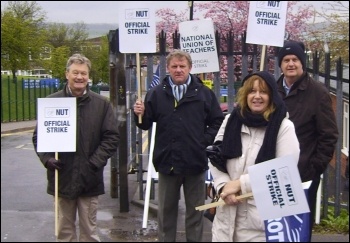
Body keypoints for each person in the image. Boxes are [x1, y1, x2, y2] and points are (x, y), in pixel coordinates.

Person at [133, 49, 224, 242]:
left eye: (182, 66)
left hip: (195, 163)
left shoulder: (204, 94)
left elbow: (217, 121)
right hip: (167, 163)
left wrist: (203, 141)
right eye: (174, 66)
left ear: (190, 68)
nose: (178, 70)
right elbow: (145, 122)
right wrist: (139, 113)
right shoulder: (156, 93)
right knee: (166, 214)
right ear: (168, 68)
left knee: (195, 214)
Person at [32, 53, 120, 242]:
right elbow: (39, 137)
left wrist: (94, 163)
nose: (79, 77)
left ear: (89, 76)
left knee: (89, 232)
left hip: (90, 179)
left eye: (83, 73)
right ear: (67, 74)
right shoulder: (52, 102)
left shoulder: (102, 104)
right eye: (75, 73)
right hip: (62, 178)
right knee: (64, 232)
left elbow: (111, 137)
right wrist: (47, 159)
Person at [209, 71, 300, 242]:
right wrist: (223, 186)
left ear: (272, 96)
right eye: (252, 91)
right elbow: (214, 157)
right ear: (245, 94)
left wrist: (240, 184)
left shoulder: (283, 127)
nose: (257, 96)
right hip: (225, 221)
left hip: (259, 225)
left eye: (263, 92)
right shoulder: (231, 120)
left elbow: (284, 172)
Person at [276, 40, 339, 241]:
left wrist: (314, 168)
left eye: (295, 59)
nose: (291, 64)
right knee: (275, 228)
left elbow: (328, 136)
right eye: (286, 60)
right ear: (280, 64)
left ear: (302, 63)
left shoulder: (318, 93)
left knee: (298, 230)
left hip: (303, 174)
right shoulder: (272, 90)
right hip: (274, 173)